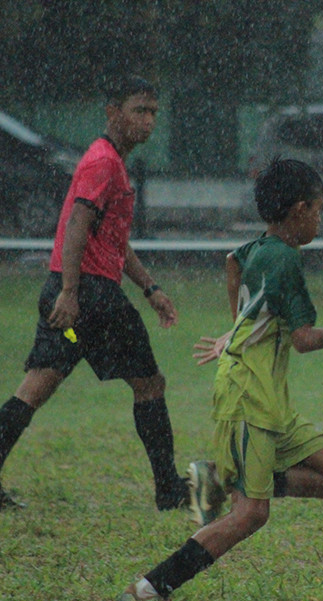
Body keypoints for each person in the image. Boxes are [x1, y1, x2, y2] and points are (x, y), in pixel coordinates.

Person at [116, 157, 323, 601]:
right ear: (300, 209)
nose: (320, 220)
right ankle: (149, 589)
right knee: (251, 515)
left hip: (269, 399)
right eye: (319, 211)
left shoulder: (262, 246)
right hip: (248, 398)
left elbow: (231, 262)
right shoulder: (284, 261)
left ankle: (220, 480)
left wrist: (236, 329)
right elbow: (304, 340)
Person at [0, 75, 190, 512]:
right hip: (91, 297)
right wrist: (71, 291)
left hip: (71, 299)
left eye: (153, 113)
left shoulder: (110, 162)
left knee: (35, 388)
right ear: (112, 112)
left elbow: (113, 240)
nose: (148, 121)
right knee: (149, 384)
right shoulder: (103, 162)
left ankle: (169, 488)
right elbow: (76, 227)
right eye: (140, 110)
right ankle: (169, 490)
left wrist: (151, 288)